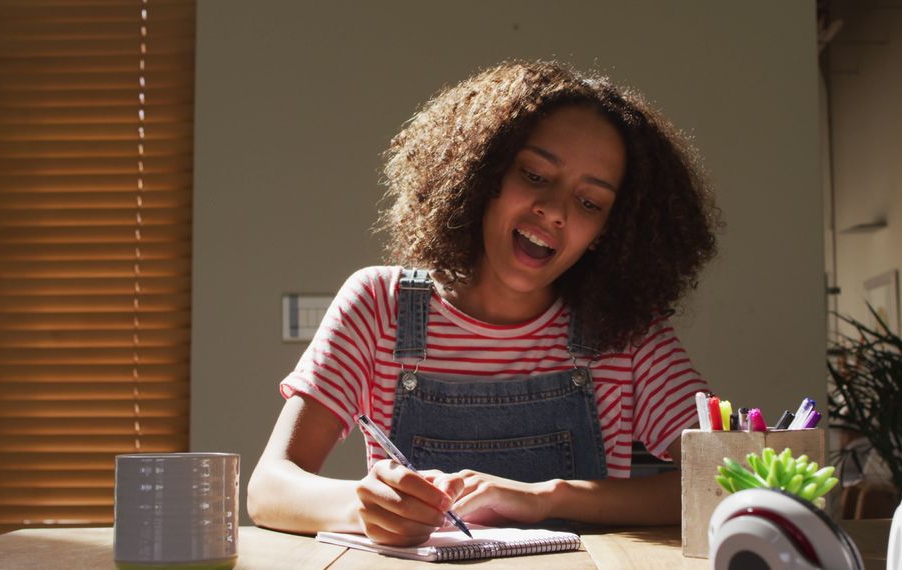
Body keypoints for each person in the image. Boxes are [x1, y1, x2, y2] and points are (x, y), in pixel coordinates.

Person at [247, 60, 719, 546]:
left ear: (607, 233)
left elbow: (729, 479)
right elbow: (268, 489)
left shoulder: (627, 332)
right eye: (535, 175)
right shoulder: (379, 304)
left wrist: (549, 496)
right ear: (483, 173)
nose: (554, 210)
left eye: (590, 203)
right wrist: (361, 505)